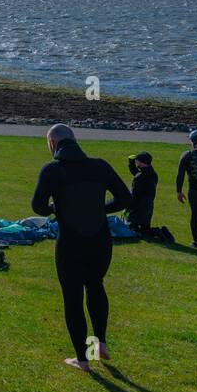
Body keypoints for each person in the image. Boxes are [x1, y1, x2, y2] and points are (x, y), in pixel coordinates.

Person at [31, 123, 133, 372]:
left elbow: (38, 207)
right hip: (100, 241)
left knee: (73, 297)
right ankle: (101, 342)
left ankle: (83, 359)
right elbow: (125, 199)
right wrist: (98, 208)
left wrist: (58, 208)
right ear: (75, 140)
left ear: (52, 145)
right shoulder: (100, 166)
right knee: (95, 285)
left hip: (70, 243)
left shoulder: (52, 170)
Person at [125, 152, 159, 235]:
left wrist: (128, 206)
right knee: (145, 229)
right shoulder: (153, 174)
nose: (136, 162)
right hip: (148, 206)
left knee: (132, 230)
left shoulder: (139, 177)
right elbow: (137, 173)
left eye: (137, 161)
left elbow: (134, 194)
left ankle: (156, 233)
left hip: (137, 208)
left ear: (141, 162)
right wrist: (131, 163)